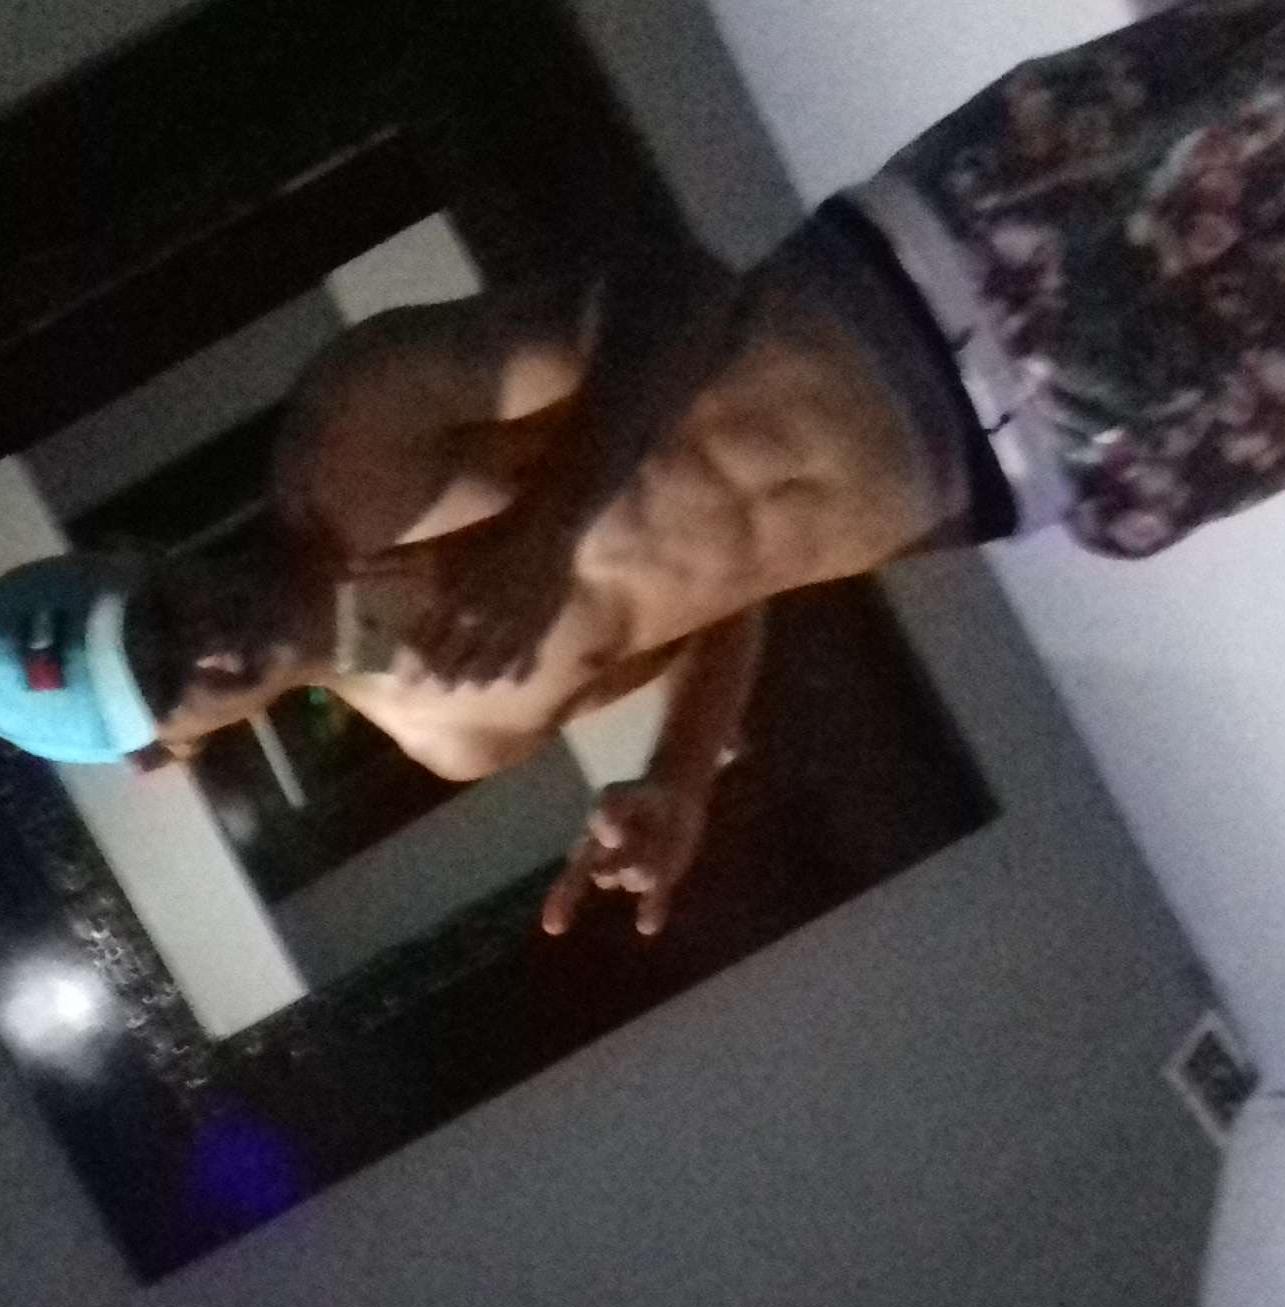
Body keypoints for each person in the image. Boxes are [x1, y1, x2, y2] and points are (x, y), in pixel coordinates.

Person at [3, 1, 1284, 934]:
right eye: (163, 677)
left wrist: (543, 530)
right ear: (169, 752)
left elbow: (677, 290)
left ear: (138, 555)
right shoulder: (458, 730)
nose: (203, 642)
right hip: (1035, 469)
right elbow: (721, 602)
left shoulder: (357, 431)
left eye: (156, 612)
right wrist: (679, 779)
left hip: (962, 254)